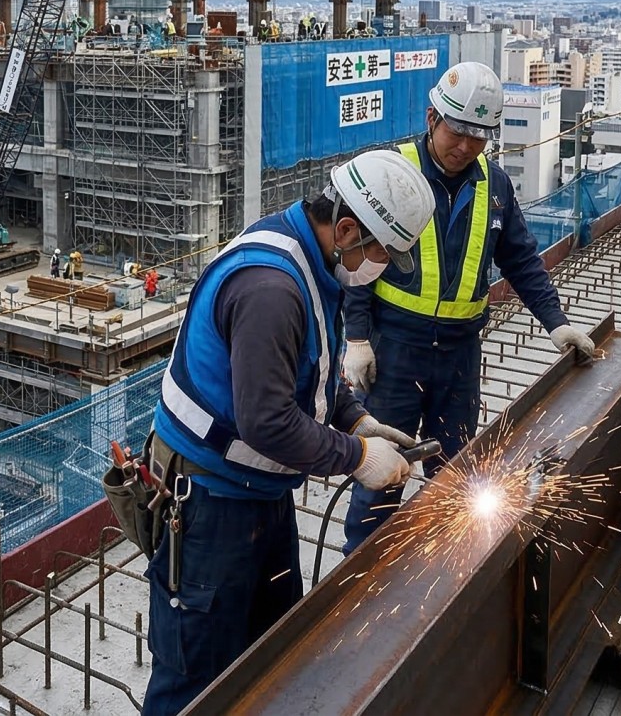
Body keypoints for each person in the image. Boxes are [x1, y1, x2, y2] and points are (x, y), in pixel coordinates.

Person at [144, 149, 435, 715]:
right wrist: (354, 456)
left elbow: (312, 367)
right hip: (209, 507)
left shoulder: (314, 260)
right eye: (381, 252)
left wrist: (356, 417)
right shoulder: (271, 290)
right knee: (195, 683)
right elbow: (266, 420)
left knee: (271, 654)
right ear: (347, 228)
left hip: (260, 500)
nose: (379, 265)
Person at [341, 62, 598, 553]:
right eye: (456, 132)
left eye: (478, 137)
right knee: (383, 475)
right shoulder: (394, 172)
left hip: (459, 355)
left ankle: (445, 572)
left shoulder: (494, 186)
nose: (464, 147)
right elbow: (357, 264)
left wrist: (557, 324)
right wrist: (356, 339)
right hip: (395, 351)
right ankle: (360, 572)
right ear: (432, 117)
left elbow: (521, 261)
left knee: (457, 474)